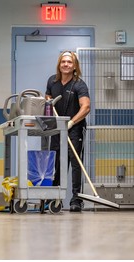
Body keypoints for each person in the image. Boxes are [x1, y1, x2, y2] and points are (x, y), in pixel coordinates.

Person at [45, 50, 90, 212]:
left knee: (75, 163)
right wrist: (48, 104)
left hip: (74, 129)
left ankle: (76, 200)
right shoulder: (52, 81)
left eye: (69, 62)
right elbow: (48, 98)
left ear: (74, 66)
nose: (66, 64)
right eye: (63, 61)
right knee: (56, 161)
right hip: (57, 128)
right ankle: (54, 197)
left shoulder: (79, 84)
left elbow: (86, 107)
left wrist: (71, 122)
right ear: (59, 64)